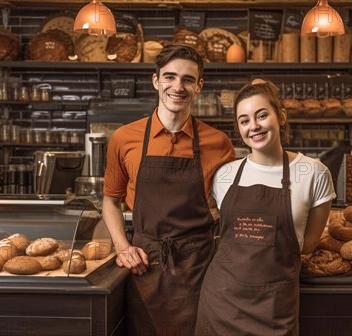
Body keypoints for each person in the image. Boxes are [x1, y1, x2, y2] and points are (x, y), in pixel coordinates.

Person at [102, 44, 235, 335]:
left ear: (199, 86)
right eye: (170, 77)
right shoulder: (124, 138)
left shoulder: (219, 143)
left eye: (188, 79)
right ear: (156, 81)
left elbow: (232, 210)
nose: (178, 86)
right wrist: (123, 248)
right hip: (143, 266)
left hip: (200, 267)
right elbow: (111, 202)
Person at [195, 79, 336, 336]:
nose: (254, 126)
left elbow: (308, 245)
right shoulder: (224, 175)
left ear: (281, 116)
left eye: (262, 115)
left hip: (274, 308)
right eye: (244, 120)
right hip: (221, 303)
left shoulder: (314, 173)